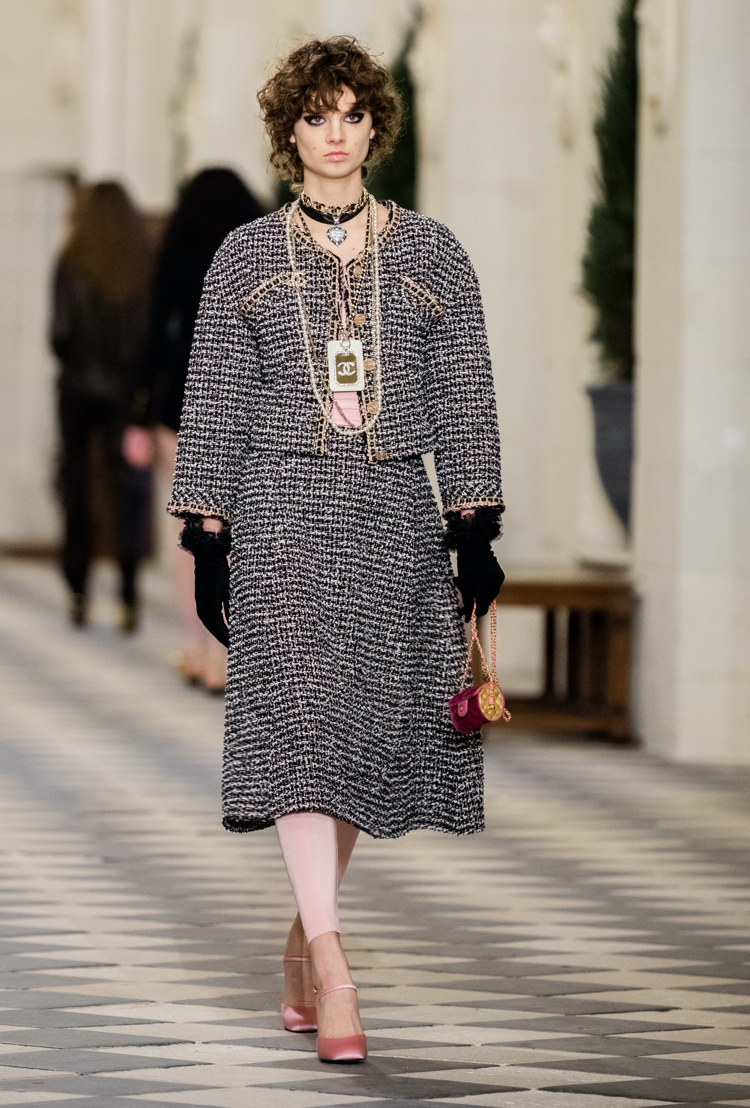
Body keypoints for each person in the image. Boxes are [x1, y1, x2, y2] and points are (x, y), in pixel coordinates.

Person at [168, 37, 505, 1062]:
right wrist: (208, 536)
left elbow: (467, 389)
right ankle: (334, 960)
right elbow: (214, 399)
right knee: (301, 726)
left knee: (355, 728)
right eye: (317, 116)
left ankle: (300, 942)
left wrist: (475, 525)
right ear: (289, 131)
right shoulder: (244, 256)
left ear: (376, 127)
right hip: (278, 510)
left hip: (392, 511)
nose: (336, 134)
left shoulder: (434, 253)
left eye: (353, 114)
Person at [123, 169, 265, 693]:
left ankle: (201, 650)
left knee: (191, 538)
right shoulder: (259, 253)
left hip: (182, 406)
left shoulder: (177, 253)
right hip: (250, 404)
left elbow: (156, 337)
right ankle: (236, 655)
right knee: (244, 535)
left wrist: (137, 413)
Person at [51, 181, 153, 631]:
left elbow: (58, 334)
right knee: (126, 487)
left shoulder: (70, 261)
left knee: (76, 484)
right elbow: (147, 335)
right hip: (125, 393)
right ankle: (128, 593)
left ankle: (78, 589)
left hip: (76, 389)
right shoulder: (142, 264)